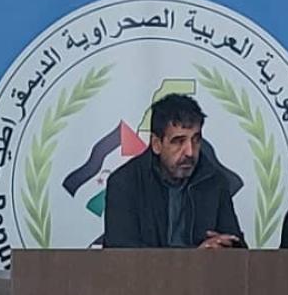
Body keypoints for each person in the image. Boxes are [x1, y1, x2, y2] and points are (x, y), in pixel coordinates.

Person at [103, 93, 245, 249]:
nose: (190, 152)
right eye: (179, 142)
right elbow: (122, 254)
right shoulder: (124, 183)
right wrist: (196, 256)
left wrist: (226, 247)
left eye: (196, 140)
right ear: (156, 144)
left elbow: (238, 248)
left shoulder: (214, 182)